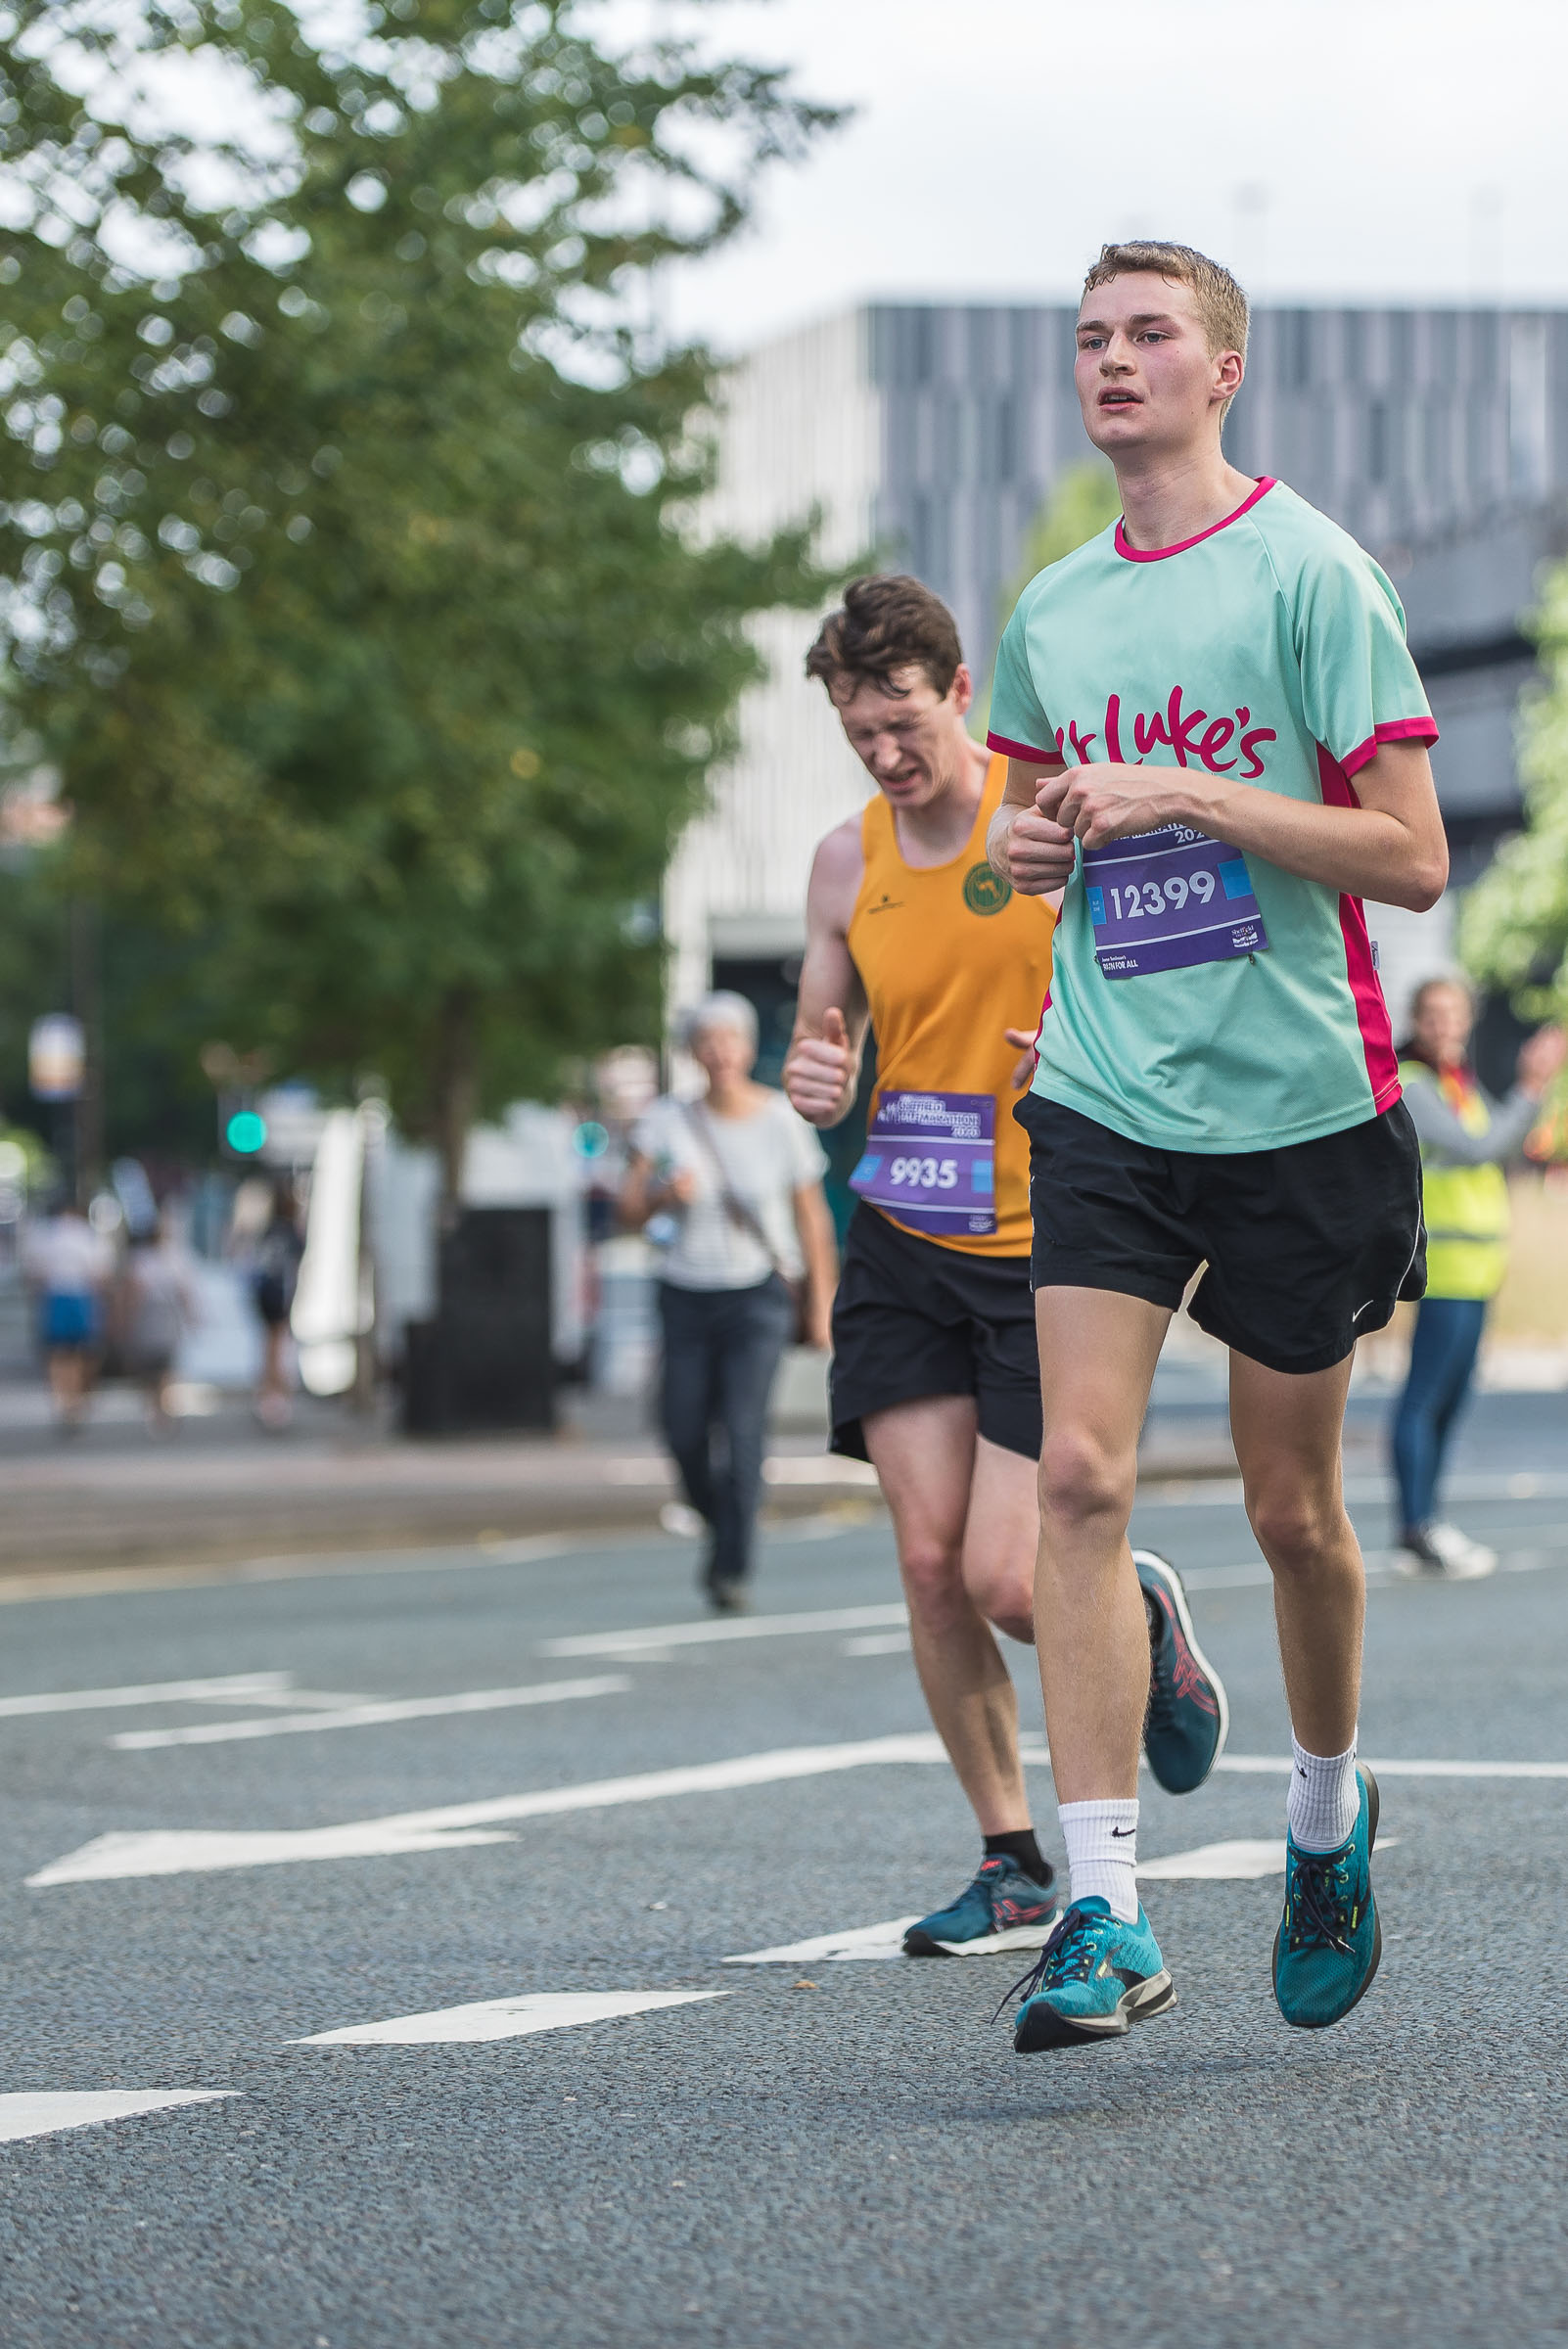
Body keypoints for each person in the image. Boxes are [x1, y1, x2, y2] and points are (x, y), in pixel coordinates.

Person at [988, 239, 1448, 2046]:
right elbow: (1026, 837)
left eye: (1148, 334)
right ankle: (1100, 1909)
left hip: (1299, 1110)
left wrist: (1187, 790)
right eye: (1089, 337)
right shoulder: (1049, 609)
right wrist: (1027, 849)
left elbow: (1411, 856)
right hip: (1106, 1089)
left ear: (1221, 370)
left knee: (1290, 1512)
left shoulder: (1312, 572)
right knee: (1076, 1481)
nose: (1112, 360)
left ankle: (1323, 1819)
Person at [784, 574, 1228, 1958]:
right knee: (927, 1561)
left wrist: (1089, 1047)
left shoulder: (1041, 824)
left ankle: (1137, 1606)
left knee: (1011, 1579)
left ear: (961, 692)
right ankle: (1011, 1858)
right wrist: (814, 1075)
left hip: (1054, 1243)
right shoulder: (843, 862)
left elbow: (1170, 972)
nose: (885, 753)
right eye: (860, 732)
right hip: (905, 1231)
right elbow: (824, 1039)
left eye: (904, 722)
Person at [622, 992, 837, 1613]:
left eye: (730, 1040)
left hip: (757, 1295)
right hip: (685, 1293)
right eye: (707, 1042)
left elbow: (812, 1219)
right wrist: (662, 1195)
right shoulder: (667, 1121)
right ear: (693, 1052)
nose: (719, 1052)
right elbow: (626, 1211)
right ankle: (722, 1519)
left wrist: (821, 1305)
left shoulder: (780, 1120)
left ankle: (732, 1567)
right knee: (682, 1426)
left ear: (746, 1047)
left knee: (743, 1429)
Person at [1390, 977, 1565, 1577]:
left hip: (1477, 1274)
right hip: (1444, 1273)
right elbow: (1480, 1146)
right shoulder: (1414, 1084)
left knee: (1451, 1400)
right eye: (1433, 1014)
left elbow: (1500, 1141)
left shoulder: (1457, 1083)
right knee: (1424, 1398)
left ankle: (1428, 1522)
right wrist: (1531, 1086)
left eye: (1455, 1014)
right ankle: (1415, 1526)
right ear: (1416, 1020)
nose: (1445, 1025)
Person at [22, 1198, 114, 1432]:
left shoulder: (45, 1235)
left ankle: (64, 1400)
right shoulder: (87, 1235)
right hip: (81, 1297)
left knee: (59, 1353)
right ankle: (75, 1400)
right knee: (83, 1351)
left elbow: (33, 1274)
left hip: (57, 1297)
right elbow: (102, 1274)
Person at [113, 1216, 200, 1434]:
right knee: (161, 1366)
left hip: (154, 1319)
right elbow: (184, 1292)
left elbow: (131, 1294)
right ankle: (161, 1409)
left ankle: (157, 1408)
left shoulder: (145, 1260)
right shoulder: (170, 1259)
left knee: (157, 1366)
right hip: (159, 1319)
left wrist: (124, 1320)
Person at [250, 1181, 303, 1431]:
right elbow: (294, 1269)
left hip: (265, 1295)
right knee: (279, 1347)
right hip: (280, 1294)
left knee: (269, 1347)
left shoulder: (268, 1231)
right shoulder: (291, 1234)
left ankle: (267, 1398)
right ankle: (276, 1401)